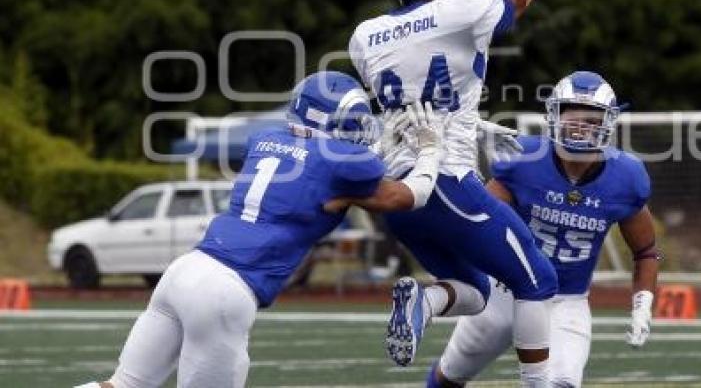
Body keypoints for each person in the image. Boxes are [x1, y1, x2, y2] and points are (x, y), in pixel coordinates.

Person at [348, 0, 602, 387]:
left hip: (396, 195)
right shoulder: (464, 7)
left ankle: (424, 299)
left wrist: (472, 122)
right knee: (538, 279)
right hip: (445, 181)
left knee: (478, 292)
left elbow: (418, 91)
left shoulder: (365, 37)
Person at [75, 71, 445, 388]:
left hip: (185, 271)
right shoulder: (340, 166)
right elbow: (410, 196)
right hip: (225, 291)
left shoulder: (267, 141)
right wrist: (429, 149)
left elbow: (318, 160)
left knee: (123, 384)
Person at [429, 71, 661, 388]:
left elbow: (646, 251)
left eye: (591, 120)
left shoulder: (626, 178)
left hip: (566, 301)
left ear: (608, 123)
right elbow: (480, 222)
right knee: (450, 376)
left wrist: (642, 304)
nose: (580, 128)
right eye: (572, 117)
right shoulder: (523, 160)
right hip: (506, 291)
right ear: (554, 116)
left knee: (562, 383)